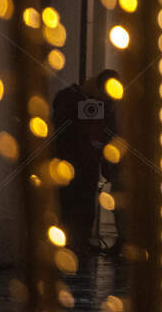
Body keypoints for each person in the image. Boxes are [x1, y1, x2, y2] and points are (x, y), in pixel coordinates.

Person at [50, 68, 118, 255]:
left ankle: (80, 241)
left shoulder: (86, 103)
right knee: (72, 205)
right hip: (71, 162)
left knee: (84, 205)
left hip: (85, 163)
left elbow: (100, 134)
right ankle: (72, 243)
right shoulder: (70, 99)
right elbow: (69, 132)